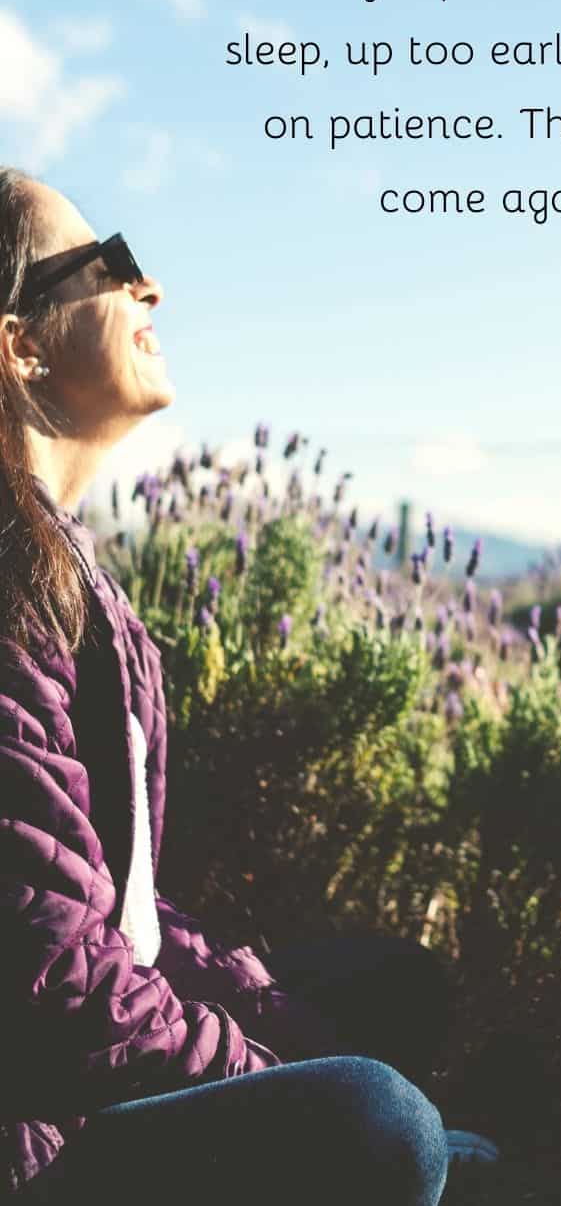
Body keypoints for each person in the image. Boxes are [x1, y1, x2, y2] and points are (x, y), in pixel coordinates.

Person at [0, 167, 497, 1202]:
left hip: (76, 1063)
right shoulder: (11, 583)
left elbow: (114, 911)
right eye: (111, 265)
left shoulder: (56, 565)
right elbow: (51, 982)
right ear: (21, 345)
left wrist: (264, 1017)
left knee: (385, 993)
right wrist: (273, 1078)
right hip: (33, 1142)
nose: (151, 290)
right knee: (379, 1122)